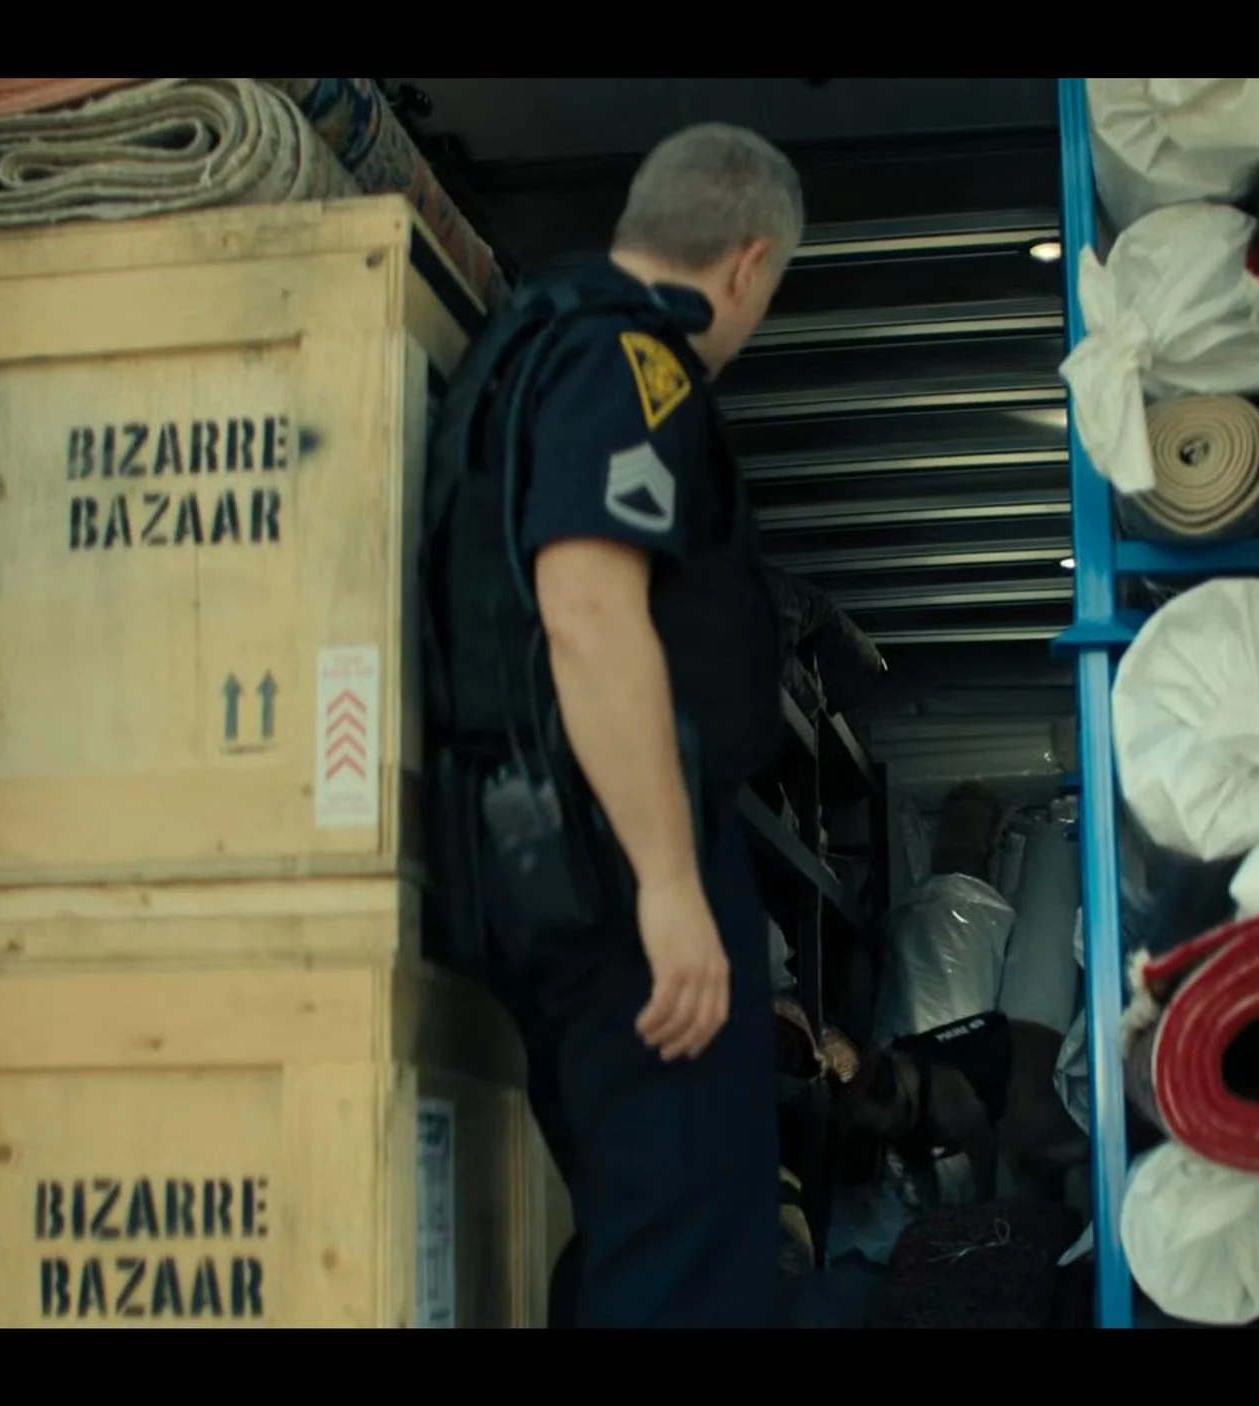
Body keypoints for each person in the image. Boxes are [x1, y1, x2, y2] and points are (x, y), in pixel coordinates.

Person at [424, 122, 804, 1329]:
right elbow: (587, 610)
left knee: (646, 1235)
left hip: (561, 860)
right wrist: (668, 881)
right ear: (747, 265)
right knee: (692, 1254)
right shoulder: (625, 362)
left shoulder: (544, 335)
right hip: (613, 867)